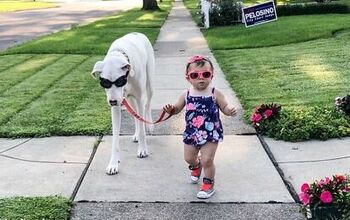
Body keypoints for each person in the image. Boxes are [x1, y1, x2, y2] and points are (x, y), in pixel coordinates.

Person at [163, 55, 237, 199]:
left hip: (210, 133)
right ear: (188, 78)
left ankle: (208, 184)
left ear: (212, 75)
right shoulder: (186, 94)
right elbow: (177, 109)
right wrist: (170, 109)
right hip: (192, 133)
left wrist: (229, 110)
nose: (201, 78)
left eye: (206, 74)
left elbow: (225, 106)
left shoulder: (215, 93)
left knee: (207, 160)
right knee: (189, 158)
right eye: (195, 75)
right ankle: (196, 166)